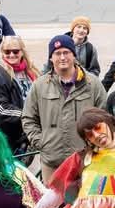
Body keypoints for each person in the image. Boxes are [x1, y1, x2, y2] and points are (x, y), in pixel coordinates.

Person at [22, 35, 108, 183]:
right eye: (57, 53)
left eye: (66, 52)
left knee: (84, 205)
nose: (62, 57)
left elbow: (105, 118)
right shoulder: (40, 85)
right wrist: (41, 142)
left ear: (74, 55)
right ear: (51, 58)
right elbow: (28, 118)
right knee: (54, 205)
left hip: (85, 161)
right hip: (52, 162)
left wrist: (94, 144)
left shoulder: (92, 84)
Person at [0, 36, 39, 153]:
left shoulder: (31, 71)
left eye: (16, 51)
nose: (11, 55)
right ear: (1, 53)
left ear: (22, 52)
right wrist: (27, 115)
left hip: (24, 129)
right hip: (4, 132)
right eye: (7, 52)